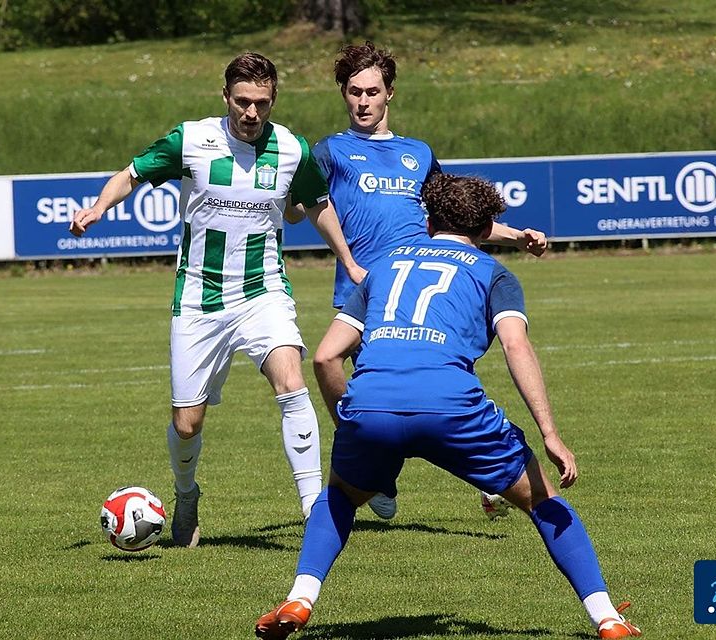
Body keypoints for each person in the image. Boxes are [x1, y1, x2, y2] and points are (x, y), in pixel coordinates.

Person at [255, 174, 640, 639]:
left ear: (429, 219)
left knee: (338, 496)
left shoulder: (384, 265)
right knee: (543, 500)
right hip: (451, 406)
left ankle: (300, 598)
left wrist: (349, 421)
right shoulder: (493, 272)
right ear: (484, 229)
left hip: (372, 402)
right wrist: (551, 434)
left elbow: (324, 357)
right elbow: (516, 348)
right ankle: (608, 620)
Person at [69, 52, 356, 547]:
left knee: (290, 379)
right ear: (225, 97)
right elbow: (130, 174)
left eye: (261, 103)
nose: (251, 112)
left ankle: (315, 511)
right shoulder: (191, 139)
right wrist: (98, 206)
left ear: (273, 101)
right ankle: (186, 495)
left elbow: (317, 205)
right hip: (200, 298)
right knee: (187, 423)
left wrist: (349, 262)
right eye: (242, 101)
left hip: (263, 290)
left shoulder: (291, 148)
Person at [304, 41, 547, 521]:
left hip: (433, 290)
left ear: (389, 93)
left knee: (449, 386)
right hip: (368, 294)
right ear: (343, 94)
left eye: (372, 91)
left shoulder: (418, 154)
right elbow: (308, 206)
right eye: (354, 92)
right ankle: (370, 468)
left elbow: (455, 215)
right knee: (371, 394)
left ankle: (490, 472)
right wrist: (349, 261)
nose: (363, 102)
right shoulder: (330, 152)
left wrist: (517, 236)